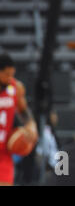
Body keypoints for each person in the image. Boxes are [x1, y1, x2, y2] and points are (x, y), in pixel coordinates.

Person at [0, 53, 38, 186]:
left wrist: (31, 126)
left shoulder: (16, 87)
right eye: (7, 74)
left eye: (12, 74)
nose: (10, 78)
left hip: (4, 152)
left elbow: (24, 111)